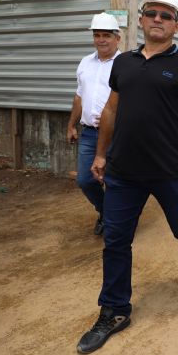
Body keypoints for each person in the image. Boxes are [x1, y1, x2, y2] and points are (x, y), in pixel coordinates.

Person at [76, 0, 178, 354]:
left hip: (172, 170)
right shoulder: (123, 63)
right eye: (152, 13)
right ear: (140, 19)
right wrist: (101, 154)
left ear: (176, 26)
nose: (157, 19)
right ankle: (115, 310)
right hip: (123, 172)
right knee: (116, 241)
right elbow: (110, 111)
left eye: (166, 15)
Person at [67, 13, 122, 236]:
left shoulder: (125, 64)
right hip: (89, 133)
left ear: (117, 38)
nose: (101, 40)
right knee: (86, 180)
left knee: (115, 181)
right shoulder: (85, 63)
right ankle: (106, 213)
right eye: (97, 35)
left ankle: (117, 221)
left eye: (106, 35)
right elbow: (79, 96)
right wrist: (71, 125)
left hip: (117, 134)